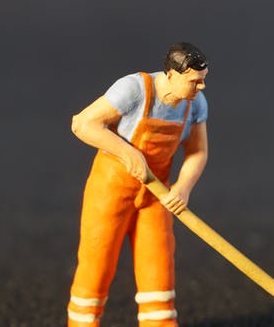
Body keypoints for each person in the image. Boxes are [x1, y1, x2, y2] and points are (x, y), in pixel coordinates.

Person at [66, 42, 210, 327]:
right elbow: (82, 123)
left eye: (203, 80)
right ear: (171, 75)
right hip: (110, 191)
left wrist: (182, 188)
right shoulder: (134, 90)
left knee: (158, 265)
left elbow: (198, 152)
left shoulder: (195, 104)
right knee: (97, 263)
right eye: (195, 81)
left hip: (156, 196)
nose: (201, 87)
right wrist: (127, 152)